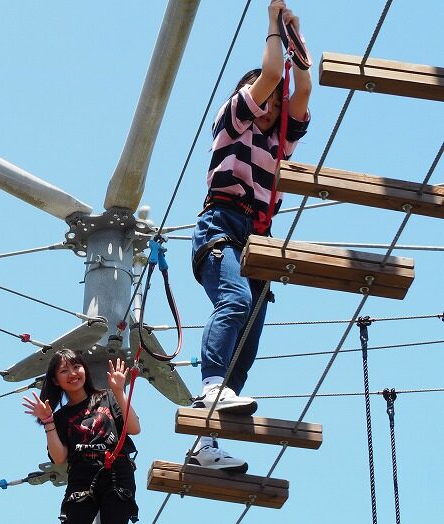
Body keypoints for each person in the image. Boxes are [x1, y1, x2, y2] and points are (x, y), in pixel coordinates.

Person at [189, 0, 312, 472]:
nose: (271, 105)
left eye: (273, 104)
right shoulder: (232, 122)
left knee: (249, 336)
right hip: (222, 225)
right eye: (265, 97)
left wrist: (298, 42)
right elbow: (268, 75)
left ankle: (206, 441)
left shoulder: (278, 143)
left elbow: (302, 90)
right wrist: (272, 25)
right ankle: (211, 385)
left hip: (257, 243)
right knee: (234, 304)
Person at [23, 349, 140, 523]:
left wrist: (119, 391)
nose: (72, 374)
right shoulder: (60, 417)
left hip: (116, 471)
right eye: (64, 371)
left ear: (84, 369)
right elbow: (59, 458)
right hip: (82, 476)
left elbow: (134, 428)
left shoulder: (107, 397)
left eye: (76, 367)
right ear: (55, 380)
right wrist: (48, 421)